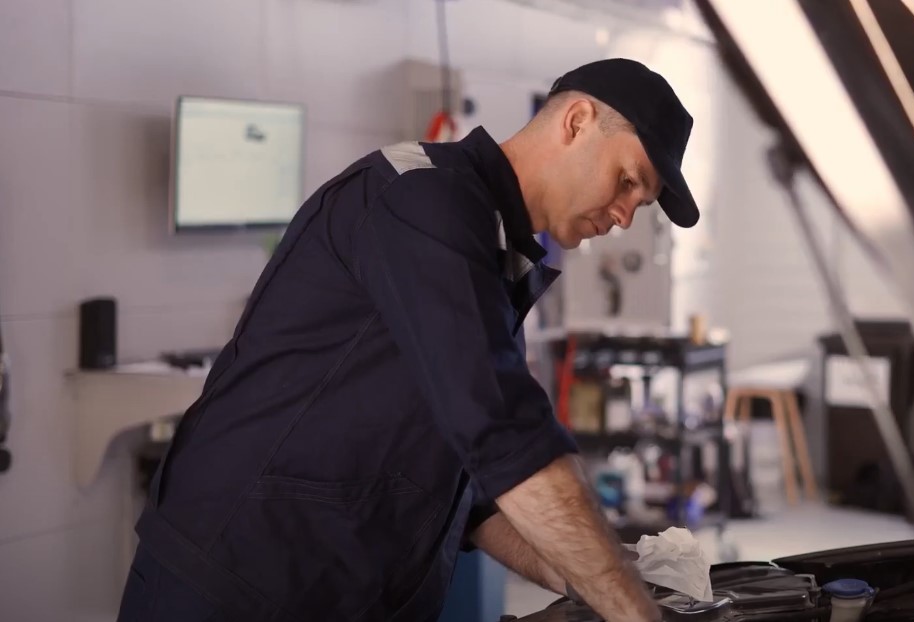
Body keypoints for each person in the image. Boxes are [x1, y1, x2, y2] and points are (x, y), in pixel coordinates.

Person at [117, 58, 699, 622]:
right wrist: (631, 610)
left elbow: (463, 481)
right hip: (236, 586)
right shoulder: (421, 201)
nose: (625, 215)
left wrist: (582, 569)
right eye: (627, 181)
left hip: (338, 593)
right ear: (577, 122)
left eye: (639, 202)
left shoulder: (494, 250)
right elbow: (504, 436)